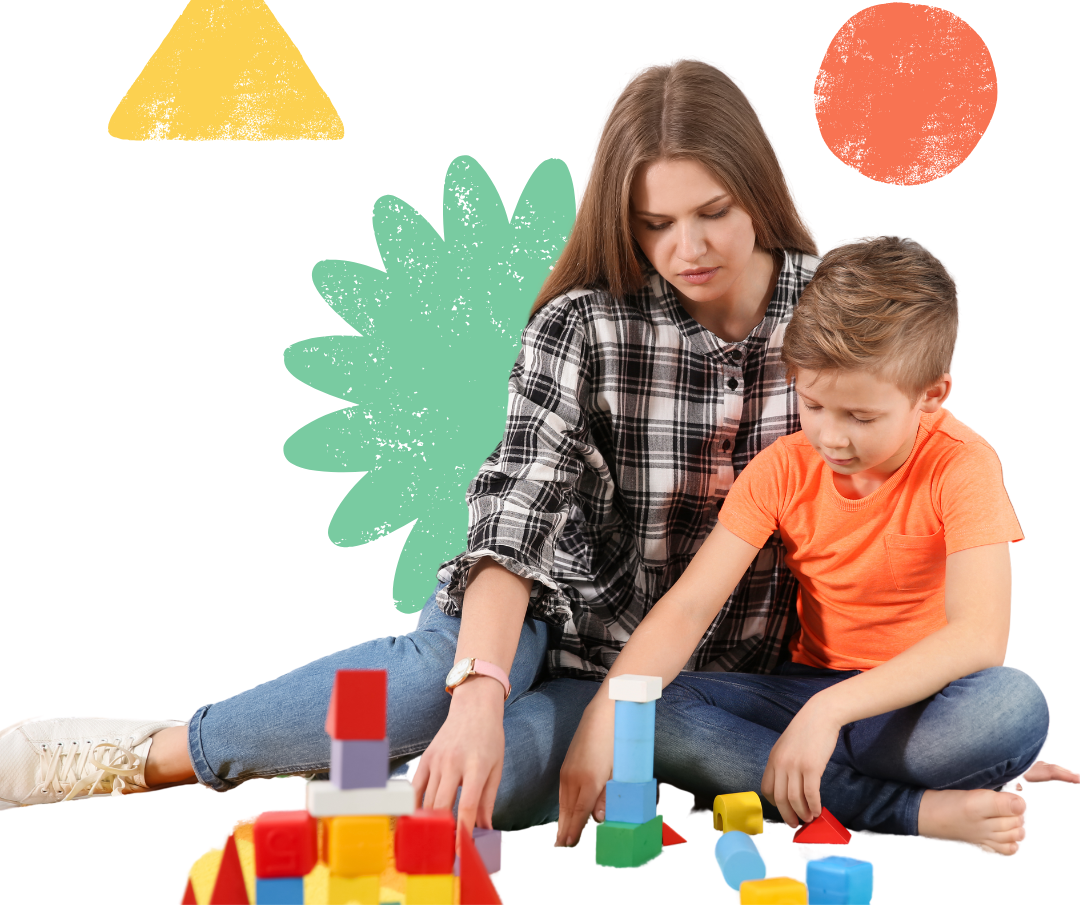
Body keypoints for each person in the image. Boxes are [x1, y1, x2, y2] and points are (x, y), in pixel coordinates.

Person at [0, 56, 818, 837]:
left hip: (683, 679)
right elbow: (514, 511)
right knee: (437, 684)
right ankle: (148, 756)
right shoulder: (583, 322)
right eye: (657, 225)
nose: (690, 249)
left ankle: (350, 805)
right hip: (543, 605)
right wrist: (479, 693)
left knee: (475, 789)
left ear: (757, 188)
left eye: (713, 212)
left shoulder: (838, 316)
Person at [552, 233, 1078, 858]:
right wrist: (602, 722)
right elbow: (690, 608)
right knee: (653, 715)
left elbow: (979, 638)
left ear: (931, 395)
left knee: (1010, 709)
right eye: (813, 403)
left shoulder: (963, 466)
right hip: (802, 689)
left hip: (918, 705)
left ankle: (834, 785)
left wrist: (827, 716)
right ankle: (914, 810)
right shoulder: (783, 468)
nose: (831, 437)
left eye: (862, 417)